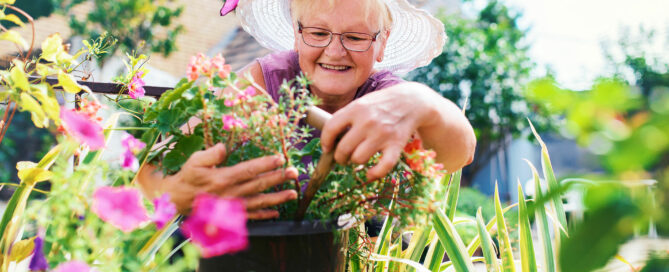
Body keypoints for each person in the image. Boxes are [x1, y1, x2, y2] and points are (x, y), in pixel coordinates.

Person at [137, 0, 476, 219]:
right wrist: (177, 194)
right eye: (317, 32)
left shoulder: (388, 97)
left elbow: (460, 152)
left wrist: (420, 100)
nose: (335, 51)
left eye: (356, 38)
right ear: (296, 36)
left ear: (381, 44)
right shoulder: (262, 81)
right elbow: (150, 175)